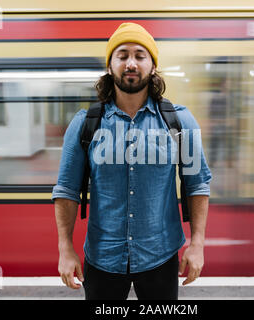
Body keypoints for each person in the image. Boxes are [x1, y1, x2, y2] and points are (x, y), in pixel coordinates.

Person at [51, 22, 212, 300]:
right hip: (102, 259)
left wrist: (197, 244)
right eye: (122, 55)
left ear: (152, 65)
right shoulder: (84, 124)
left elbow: (197, 185)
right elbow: (66, 190)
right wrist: (65, 249)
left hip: (160, 258)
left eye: (140, 55)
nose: (131, 63)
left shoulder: (180, 122)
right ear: (110, 65)